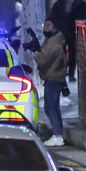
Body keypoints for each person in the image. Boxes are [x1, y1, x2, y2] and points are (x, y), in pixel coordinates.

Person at [33, 17, 67, 147]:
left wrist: (36, 52)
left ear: (55, 27)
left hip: (53, 78)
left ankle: (57, 135)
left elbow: (43, 60)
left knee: (50, 107)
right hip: (54, 78)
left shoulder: (53, 43)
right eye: (44, 25)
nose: (45, 27)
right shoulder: (52, 41)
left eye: (48, 25)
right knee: (53, 107)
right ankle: (58, 133)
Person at [49, 0, 76, 82]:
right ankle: (62, 73)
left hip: (73, 32)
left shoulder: (75, 3)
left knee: (73, 54)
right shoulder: (58, 4)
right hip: (61, 32)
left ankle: (71, 73)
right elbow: (53, 16)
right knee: (61, 53)